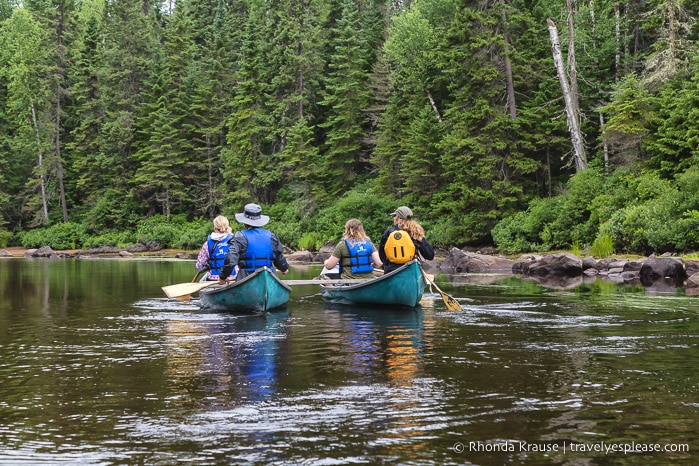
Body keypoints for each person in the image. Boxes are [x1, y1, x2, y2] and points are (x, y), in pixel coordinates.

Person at [218, 203, 290, 283]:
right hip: (270, 278)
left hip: (246, 277)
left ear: (245, 222)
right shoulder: (271, 236)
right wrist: (284, 268)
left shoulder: (240, 237)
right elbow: (278, 256)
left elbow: (231, 260)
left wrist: (223, 276)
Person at [378, 206, 435, 273]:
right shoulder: (415, 233)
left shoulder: (388, 233)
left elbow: (382, 256)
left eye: (394, 216)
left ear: (397, 217)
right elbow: (430, 255)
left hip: (391, 271)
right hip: (411, 270)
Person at [195, 215, 235, 281]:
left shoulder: (207, 244)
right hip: (232, 278)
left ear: (214, 227)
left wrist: (207, 266)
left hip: (214, 279)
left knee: (201, 281)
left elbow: (199, 266)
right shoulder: (234, 240)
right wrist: (230, 234)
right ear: (227, 227)